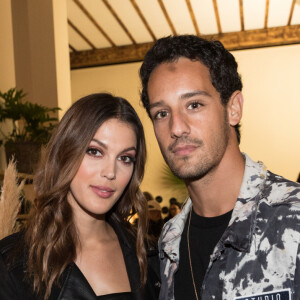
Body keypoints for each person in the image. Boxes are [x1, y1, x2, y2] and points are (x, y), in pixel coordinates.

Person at [139, 35, 300, 300]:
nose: (176, 127)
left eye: (194, 105)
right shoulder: (169, 243)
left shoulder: (292, 218)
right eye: (162, 113)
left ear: (233, 108)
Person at [0, 93, 160, 300]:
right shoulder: (14, 262)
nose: (110, 172)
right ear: (64, 153)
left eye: (125, 158)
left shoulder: (148, 253)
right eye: (94, 151)